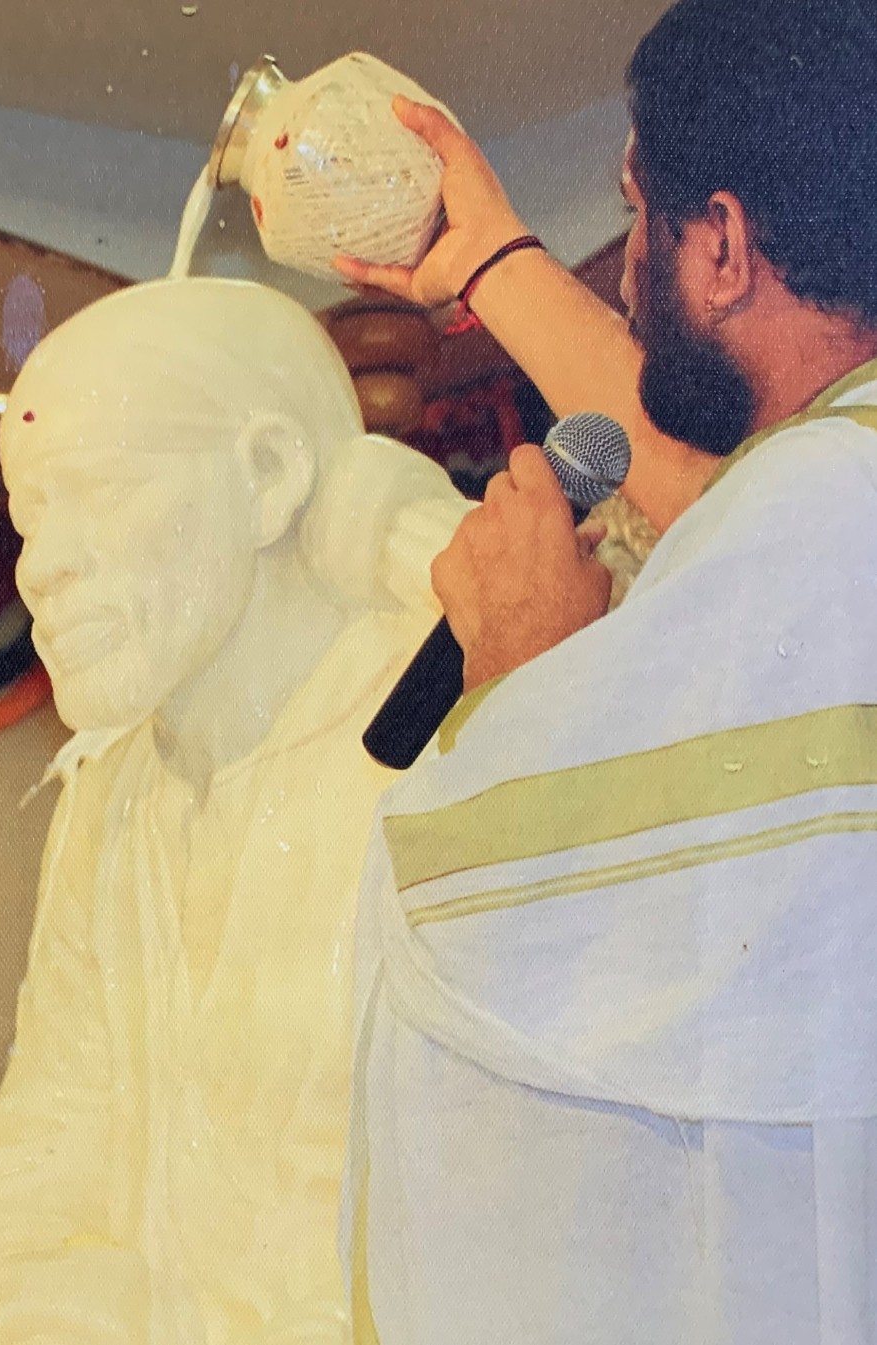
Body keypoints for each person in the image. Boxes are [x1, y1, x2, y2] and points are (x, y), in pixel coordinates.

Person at [331, 1, 877, 1341]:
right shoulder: (826, 490)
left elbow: (506, 944)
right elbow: (723, 496)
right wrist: (493, 263)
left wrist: (514, 678)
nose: (628, 261)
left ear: (724, 242)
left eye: (641, 217)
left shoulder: (824, 506)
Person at [0, 277, 468, 1344]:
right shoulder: (113, 793)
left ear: (268, 477)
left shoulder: (435, 727)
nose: (42, 567)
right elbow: (48, 1135)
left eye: (97, 491)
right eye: (31, 518)